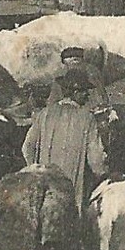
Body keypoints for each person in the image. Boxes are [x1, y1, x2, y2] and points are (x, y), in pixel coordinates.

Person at [21, 70, 106, 210]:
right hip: (70, 189)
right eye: (84, 91)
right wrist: (104, 174)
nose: (87, 95)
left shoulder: (45, 114)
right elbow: (96, 160)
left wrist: (35, 170)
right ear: (75, 92)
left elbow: (27, 147)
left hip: (43, 186)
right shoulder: (87, 118)